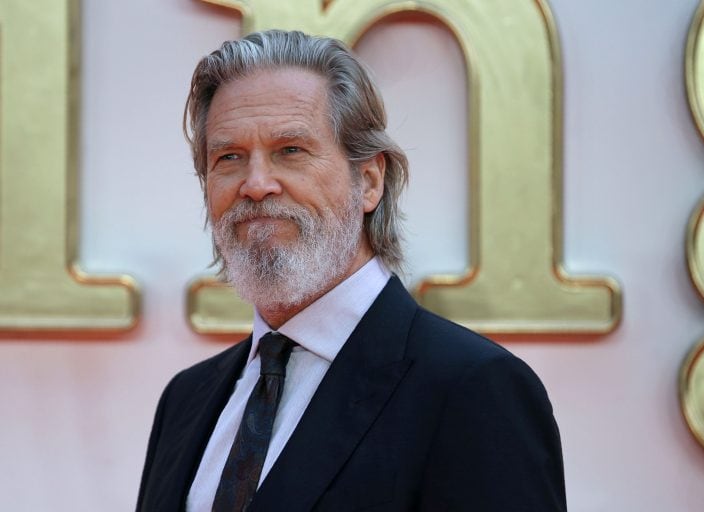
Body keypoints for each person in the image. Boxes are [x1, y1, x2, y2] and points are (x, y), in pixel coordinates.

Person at [137, 29, 566, 511]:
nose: (256, 184)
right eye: (229, 157)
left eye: (290, 151)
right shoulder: (185, 400)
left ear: (369, 181)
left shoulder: (472, 389)